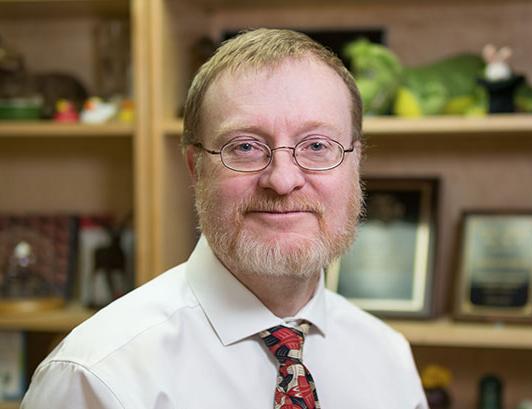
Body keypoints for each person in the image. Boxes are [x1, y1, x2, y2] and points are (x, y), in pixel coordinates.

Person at [22, 28, 428, 409]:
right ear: (195, 168)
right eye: (246, 147)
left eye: (317, 145)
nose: (283, 180)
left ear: (355, 162)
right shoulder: (99, 375)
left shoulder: (388, 358)